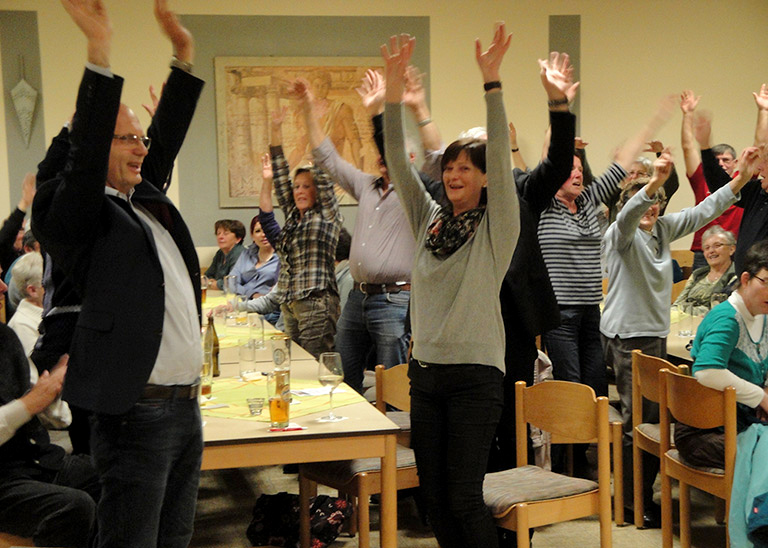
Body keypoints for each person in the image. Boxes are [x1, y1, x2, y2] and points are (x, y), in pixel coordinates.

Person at [31, 0, 205, 545]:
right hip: (137, 415)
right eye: (126, 138)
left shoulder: (142, 197)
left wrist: (183, 56)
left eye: (140, 139)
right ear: (93, 143)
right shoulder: (78, 212)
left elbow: (165, 138)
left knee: (173, 539)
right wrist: (98, 53)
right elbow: (82, 166)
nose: (141, 148)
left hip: (185, 409)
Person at [382, 24, 520, 548]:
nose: (455, 174)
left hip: (475, 379)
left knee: (464, 497)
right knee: (433, 500)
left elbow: (502, 161)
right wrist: (393, 98)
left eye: (467, 168)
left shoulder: (495, 228)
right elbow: (399, 160)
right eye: (450, 167)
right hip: (426, 375)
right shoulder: (429, 221)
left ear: (484, 178)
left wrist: (492, 85)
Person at [601, 146, 761, 528]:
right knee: (637, 420)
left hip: (652, 334)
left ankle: (640, 495)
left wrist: (739, 180)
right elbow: (627, 218)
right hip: (629, 337)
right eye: (646, 202)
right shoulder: (619, 234)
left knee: (655, 416)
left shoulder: (662, 230)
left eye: (657, 201)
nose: (652, 208)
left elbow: (704, 211)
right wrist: (653, 181)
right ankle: (629, 502)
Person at [291, 72, 416, 394]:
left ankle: (392, 440)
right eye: (381, 152)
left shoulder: (416, 193)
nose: (382, 157)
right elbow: (327, 157)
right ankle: (353, 437)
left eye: (393, 151)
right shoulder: (366, 185)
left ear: (409, 159)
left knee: (393, 384)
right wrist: (307, 109)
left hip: (395, 298)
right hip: (357, 296)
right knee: (343, 375)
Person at [260, 105, 341, 359]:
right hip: (290, 302)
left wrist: (311, 122)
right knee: (295, 367)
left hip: (316, 302)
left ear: (317, 190)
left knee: (313, 368)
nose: (299, 191)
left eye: (307, 186)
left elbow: (324, 175)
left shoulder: (327, 215)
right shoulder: (294, 217)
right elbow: (280, 171)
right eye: (297, 187)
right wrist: (275, 129)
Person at [700, 84, 768, 273]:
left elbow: (760, 144)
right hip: (745, 283)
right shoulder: (757, 191)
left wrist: (764, 111)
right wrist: (705, 147)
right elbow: (719, 186)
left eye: (764, 163)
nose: (759, 168)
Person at [680, 90, 743, 271]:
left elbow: (760, 144)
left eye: (726, 160)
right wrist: (688, 115)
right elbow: (687, 148)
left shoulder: (743, 182)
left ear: (735, 163)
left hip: (735, 250)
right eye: (716, 161)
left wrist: (764, 112)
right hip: (704, 250)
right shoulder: (702, 180)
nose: (721, 164)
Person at [7, 252, 71, 431]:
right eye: (48, 285)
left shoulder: (51, 319)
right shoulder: (21, 327)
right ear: (32, 290)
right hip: (52, 424)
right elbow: (39, 396)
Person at [673, 225, 737, 314]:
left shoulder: (736, 276)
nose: (711, 251)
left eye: (717, 246)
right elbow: (677, 305)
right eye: (707, 248)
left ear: (732, 249)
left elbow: (720, 311)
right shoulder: (698, 274)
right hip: (686, 323)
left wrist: (686, 309)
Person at [229, 215, 279, 299]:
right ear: (252, 235)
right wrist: (252, 294)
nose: (263, 234)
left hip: (266, 305)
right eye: (258, 231)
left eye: (267, 230)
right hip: (241, 301)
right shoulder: (246, 253)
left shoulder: (282, 257)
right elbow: (231, 281)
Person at [204, 219, 246, 289]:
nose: (220, 237)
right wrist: (211, 282)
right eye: (218, 233)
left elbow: (233, 281)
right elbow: (207, 275)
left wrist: (216, 284)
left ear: (238, 239)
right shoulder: (220, 253)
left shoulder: (240, 253)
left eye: (225, 234)